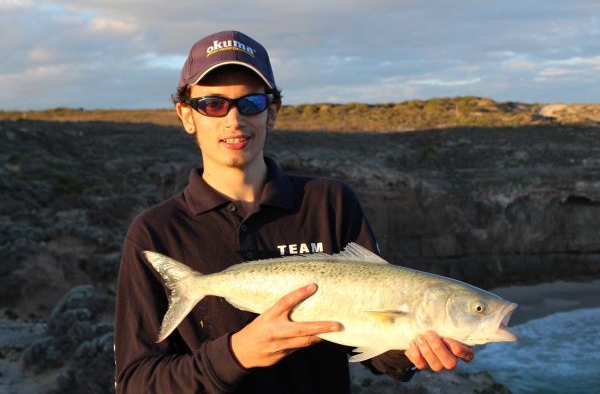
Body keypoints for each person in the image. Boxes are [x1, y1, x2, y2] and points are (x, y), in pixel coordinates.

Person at [114, 30, 473, 393]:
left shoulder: (329, 202)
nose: (234, 120)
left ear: (272, 112)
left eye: (250, 102)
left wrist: (411, 348)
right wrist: (237, 353)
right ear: (186, 115)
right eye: (212, 104)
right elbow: (135, 383)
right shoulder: (155, 233)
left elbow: (378, 353)